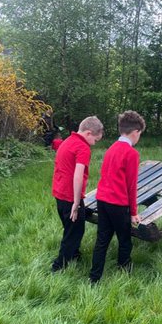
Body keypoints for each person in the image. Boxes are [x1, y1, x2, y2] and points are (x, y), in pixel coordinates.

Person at [89, 110, 145, 283]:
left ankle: (94, 277)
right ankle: (124, 271)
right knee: (124, 239)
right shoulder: (132, 154)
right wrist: (134, 212)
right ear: (135, 132)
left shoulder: (111, 149)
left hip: (102, 200)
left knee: (102, 240)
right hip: (118, 204)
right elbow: (131, 186)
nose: (139, 138)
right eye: (140, 135)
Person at [50, 116, 104, 271]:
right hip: (70, 196)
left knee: (70, 227)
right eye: (95, 140)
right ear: (88, 133)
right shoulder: (82, 148)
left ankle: (74, 255)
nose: (94, 144)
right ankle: (58, 266)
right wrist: (75, 202)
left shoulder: (67, 142)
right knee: (74, 232)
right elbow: (78, 175)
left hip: (59, 193)